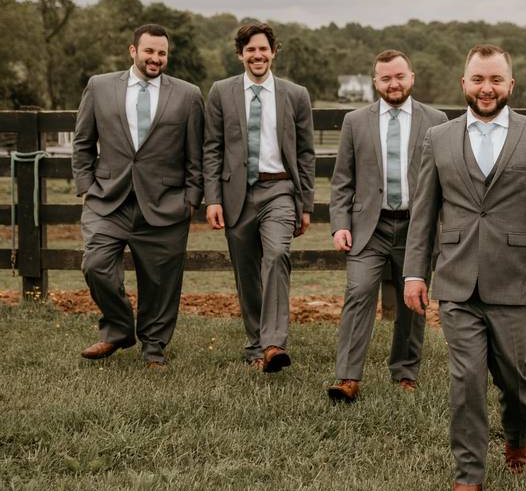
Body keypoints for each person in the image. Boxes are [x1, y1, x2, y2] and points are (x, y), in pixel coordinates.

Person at [402, 44, 526, 491]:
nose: (486, 88)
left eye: (495, 79)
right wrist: (414, 273)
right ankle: (469, 474)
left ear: (510, 85)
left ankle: (517, 437)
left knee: (517, 380)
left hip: (516, 280)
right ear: (464, 84)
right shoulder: (438, 138)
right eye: (478, 79)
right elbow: (423, 213)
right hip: (455, 282)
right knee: (466, 379)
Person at [72, 24, 204, 368]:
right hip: (108, 198)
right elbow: (83, 141)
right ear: (133, 51)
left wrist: (192, 198)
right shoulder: (99, 87)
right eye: (149, 51)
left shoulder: (188, 95)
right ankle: (117, 329)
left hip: (165, 203)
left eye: (162, 53)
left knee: (161, 281)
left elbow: (196, 154)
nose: (155, 58)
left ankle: (154, 347)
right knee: (96, 266)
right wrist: (86, 186)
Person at [326, 50, 447, 402]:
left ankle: (405, 373)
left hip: (417, 227)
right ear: (375, 82)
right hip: (369, 227)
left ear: (412, 77)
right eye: (385, 78)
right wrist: (339, 225)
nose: (393, 84)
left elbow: (445, 178)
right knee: (359, 292)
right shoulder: (355, 121)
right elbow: (341, 180)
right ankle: (348, 377)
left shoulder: (436, 119)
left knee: (414, 302)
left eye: (399, 76)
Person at [203, 23, 315, 372]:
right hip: (235, 193)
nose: (257, 55)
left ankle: (274, 343)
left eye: (263, 49)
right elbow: (212, 148)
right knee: (246, 270)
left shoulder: (295, 95)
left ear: (273, 52)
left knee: (278, 254)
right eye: (250, 50)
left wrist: (306, 204)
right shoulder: (221, 92)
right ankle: (255, 345)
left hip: (279, 188)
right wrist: (213, 199)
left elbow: (306, 153)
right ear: (240, 55)